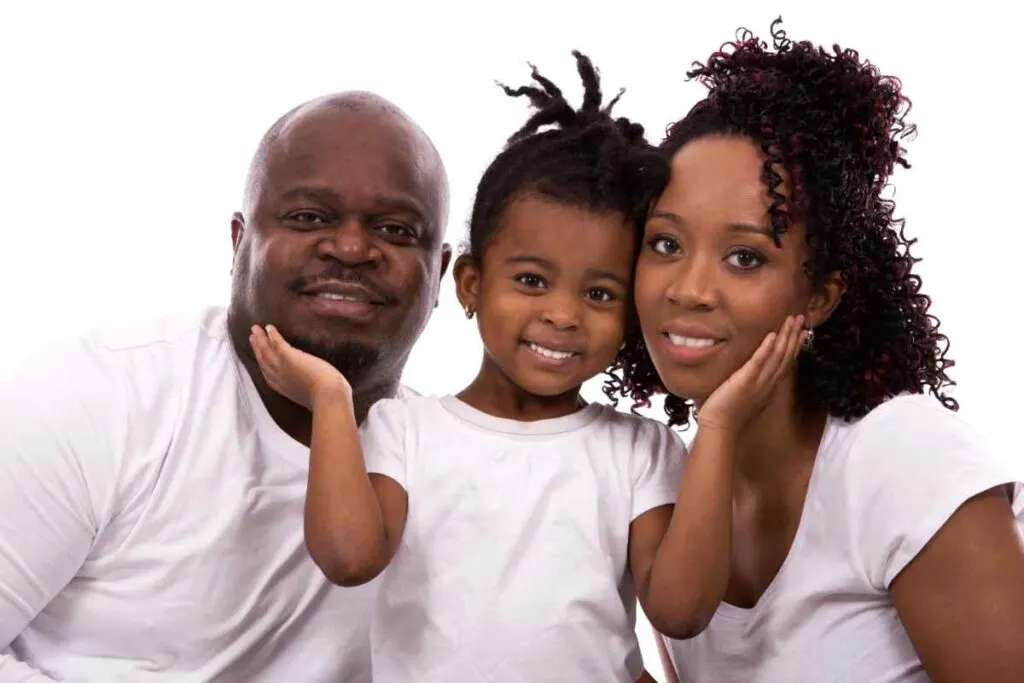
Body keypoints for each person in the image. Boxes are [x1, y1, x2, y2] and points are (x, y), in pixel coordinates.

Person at [248, 51, 806, 683]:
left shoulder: (638, 451)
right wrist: (329, 399)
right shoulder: (406, 431)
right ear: (469, 284)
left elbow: (680, 612)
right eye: (532, 280)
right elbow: (348, 557)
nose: (563, 316)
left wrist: (721, 427)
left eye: (599, 294)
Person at [616, 19, 1024, 683]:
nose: (689, 289)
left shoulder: (899, 459)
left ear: (822, 296)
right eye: (665, 243)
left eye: (745, 257)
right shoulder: (674, 493)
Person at [0, 91, 451, 681]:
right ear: (239, 242)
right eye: (309, 217)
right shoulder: (99, 393)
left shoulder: (450, 466)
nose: (350, 248)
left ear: (441, 274)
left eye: (394, 229)